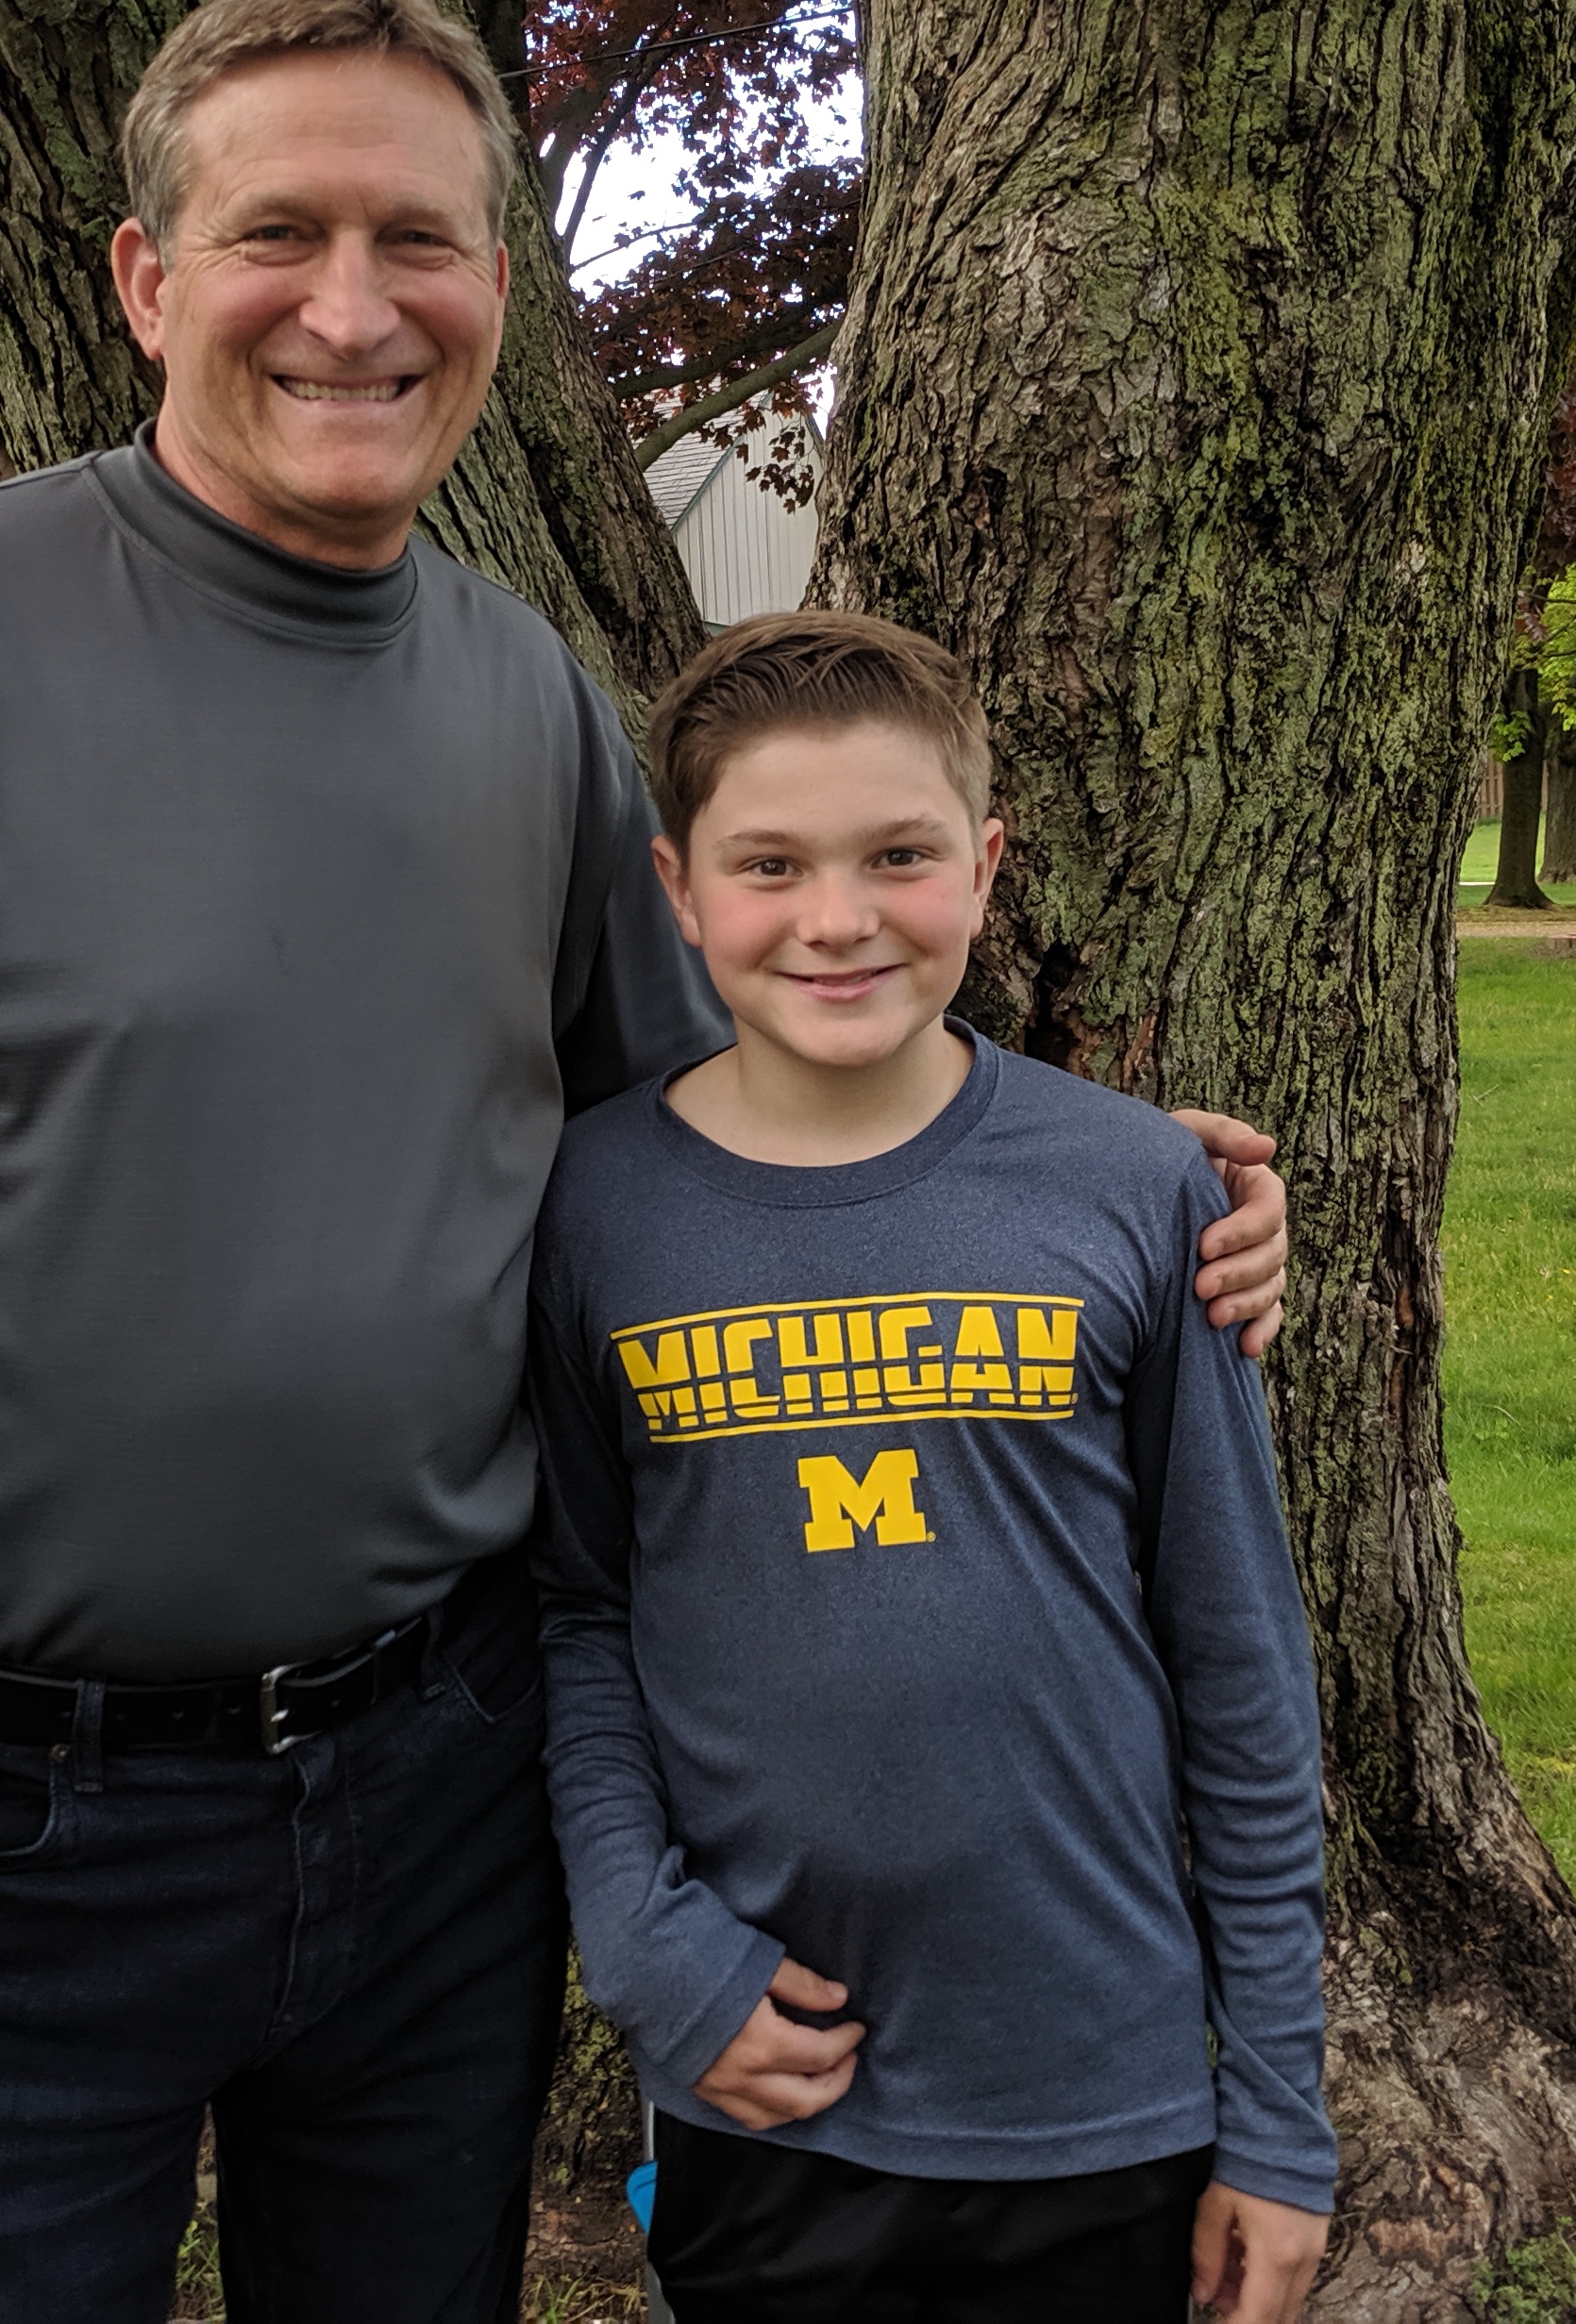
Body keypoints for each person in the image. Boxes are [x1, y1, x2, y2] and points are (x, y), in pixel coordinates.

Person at [0, 0, 1298, 2323]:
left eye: (419, 242)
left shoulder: (526, 709)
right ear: (148, 280)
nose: (349, 308)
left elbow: (757, 1124)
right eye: (277, 235)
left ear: (495, 292)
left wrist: (1119, 1193)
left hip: (432, 1799)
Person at [532, 610, 1337, 2324]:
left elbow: (1243, 1672)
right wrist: (647, 1953)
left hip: (1094, 2089)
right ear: (680, 894)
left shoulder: (1136, 1195)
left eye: (899, 855)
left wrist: (1278, 2117)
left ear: (983, 866)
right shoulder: (593, 1209)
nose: (839, 919)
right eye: (771, 865)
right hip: (762, 2074)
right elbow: (580, 1613)